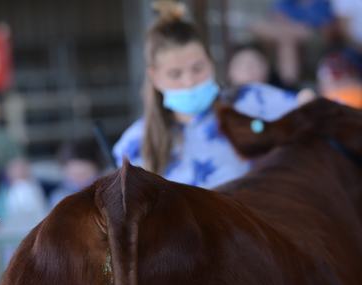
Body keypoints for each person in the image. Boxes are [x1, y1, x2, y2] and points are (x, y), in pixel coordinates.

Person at [113, 1, 307, 189]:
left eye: (198, 68)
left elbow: (313, 110)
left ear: (211, 62)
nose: (189, 81)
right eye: (175, 74)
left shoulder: (251, 100)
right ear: (155, 77)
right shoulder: (133, 145)